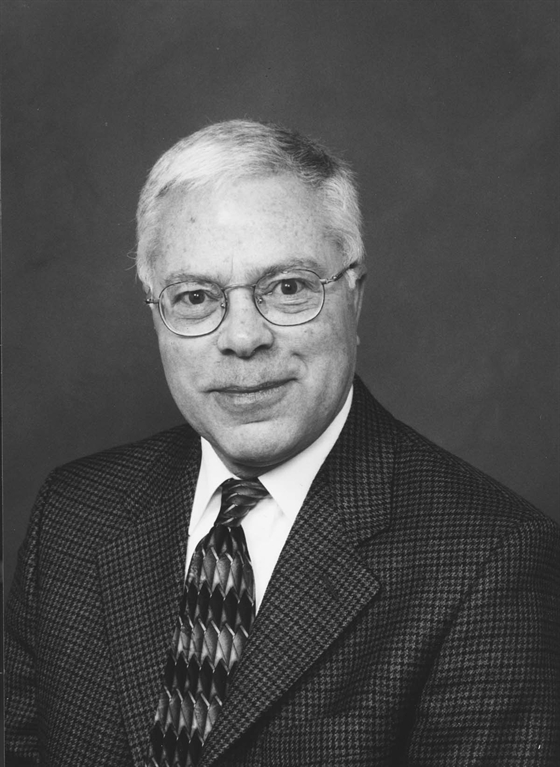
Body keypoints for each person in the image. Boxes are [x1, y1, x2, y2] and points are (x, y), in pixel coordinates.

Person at [5, 120, 559, 767]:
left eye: (288, 287)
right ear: (156, 311)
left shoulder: (491, 564)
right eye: (195, 296)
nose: (243, 337)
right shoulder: (71, 515)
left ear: (354, 297)